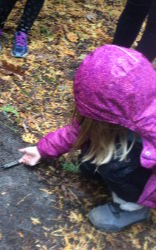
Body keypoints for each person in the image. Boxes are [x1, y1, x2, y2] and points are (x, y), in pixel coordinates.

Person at [18, 44, 156, 232]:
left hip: (149, 174)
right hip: (132, 149)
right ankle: (110, 172)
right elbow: (79, 130)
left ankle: (131, 208)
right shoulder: (125, 109)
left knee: (115, 164)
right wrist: (42, 150)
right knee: (102, 157)